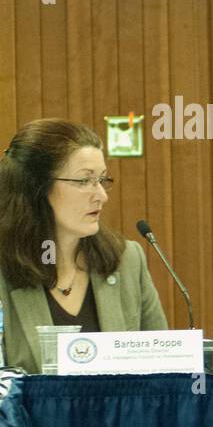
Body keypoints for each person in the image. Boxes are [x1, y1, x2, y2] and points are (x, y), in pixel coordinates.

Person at [0, 119, 168, 372]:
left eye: (102, 180)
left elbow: (164, 370)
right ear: (36, 188)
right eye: (83, 181)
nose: (101, 195)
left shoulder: (127, 260)